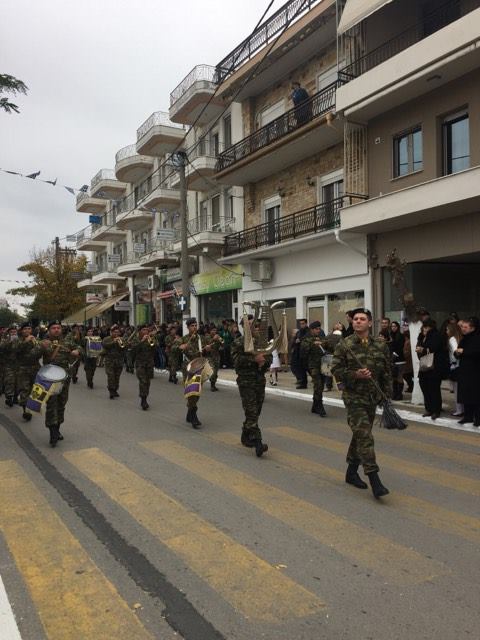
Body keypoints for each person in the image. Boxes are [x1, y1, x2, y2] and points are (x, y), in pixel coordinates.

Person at [331, 308, 392, 499]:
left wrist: (386, 396)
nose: (358, 321)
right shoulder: (345, 344)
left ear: (370, 323)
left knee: (360, 435)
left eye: (362, 319)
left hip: (372, 397)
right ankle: (374, 479)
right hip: (353, 397)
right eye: (355, 319)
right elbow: (335, 369)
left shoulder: (381, 345)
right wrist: (355, 375)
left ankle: (351, 472)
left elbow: (386, 372)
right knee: (365, 435)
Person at [231, 315, 271, 457]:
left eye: (256, 325)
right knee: (252, 412)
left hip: (260, 381)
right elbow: (236, 361)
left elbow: (269, 357)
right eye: (252, 326)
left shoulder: (261, 342)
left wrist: (263, 362)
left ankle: (245, 434)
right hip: (246, 382)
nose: (256, 328)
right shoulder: (239, 342)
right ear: (245, 327)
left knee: (256, 411)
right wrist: (254, 359)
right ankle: (258, 442)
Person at [39, 321, 81, 447]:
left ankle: (57, 428)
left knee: (62, 403)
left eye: (58, 328)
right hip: (50, 379)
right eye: (53, 328)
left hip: (64, 378)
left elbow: (80, 348)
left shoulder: (67, 342)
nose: (56, 330)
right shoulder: (44, 343)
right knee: (52, 404)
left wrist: (77, 351)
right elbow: (30, 357)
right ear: (49, 330)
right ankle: (52, 431)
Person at [415, 319, 449, 420]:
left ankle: (436, 410)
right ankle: (429, 408)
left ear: (431, 327)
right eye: (423, 327)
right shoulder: (422, 336)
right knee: (424, 387)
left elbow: (435, 347)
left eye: (426, 327)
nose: (424, 329)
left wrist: (424, 349)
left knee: (434, 389)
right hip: (424, 366)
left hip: (434, 367)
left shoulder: (436, 336)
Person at [179, 318, 207, 428]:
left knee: (197, 392)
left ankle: (189, 413)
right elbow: (173, 347)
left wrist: (208, 348)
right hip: (189, 369)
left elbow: (212, 346)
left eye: (195, 325)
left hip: (199, 367)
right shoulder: (184, 339)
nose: (194, 327)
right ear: (188, 327)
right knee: (191, 392)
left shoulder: (201, 339)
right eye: (192, 326)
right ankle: (193, 415)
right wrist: (180, 347)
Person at [455, 317, 480, 426]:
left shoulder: (477, 338)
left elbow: (476, 352)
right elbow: (458, 351)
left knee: (475, 395)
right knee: (466, 394)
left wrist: (463, 351)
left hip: (475, 371)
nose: (463, 329)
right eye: (462, 327)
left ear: (473, 328)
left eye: (466, 327)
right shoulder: (464, 338)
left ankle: (478, 418)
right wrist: (457, 353)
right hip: (465, 370)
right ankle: (468, 416)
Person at [300, 320, 328, 417]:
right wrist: (313, 344)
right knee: (318, 385)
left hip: (323, 365)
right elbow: (303, 349)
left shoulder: (321, 337)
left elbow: (327, 344)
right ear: (311, 329)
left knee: (321, 385)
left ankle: (315, 406)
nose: (318, 330)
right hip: (313, 366)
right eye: (316, 329)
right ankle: (319, 406)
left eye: (319, 329)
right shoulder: (307, 338)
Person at [16, 322, 41, 421]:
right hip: (23, 369)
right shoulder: (18, 341)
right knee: (24, 390)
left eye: (29, 329)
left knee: (35, 390)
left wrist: (37, 344)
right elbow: (15, 350)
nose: (27, 330)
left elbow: (41, 351)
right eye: (25, 329)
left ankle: (31, 406)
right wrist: (25, 342)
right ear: (21, 331)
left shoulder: (35, 340)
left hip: (35, 368)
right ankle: (25, 410)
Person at [131, 325, 157, 410]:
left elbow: (155, 348)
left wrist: (153, 342)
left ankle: (145, 397)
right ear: (140, 331)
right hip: (140, 363)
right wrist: (141, 341)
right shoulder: (136, 339)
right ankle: (143, 399)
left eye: (146, 330)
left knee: (148, 382)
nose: (145, 331)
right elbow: (134, 350)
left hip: (149, 364)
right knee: (143, 381)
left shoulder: (151, 338)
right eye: (143, 330)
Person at [102, 325, 125, 399]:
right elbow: (105, 345)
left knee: (117, 377)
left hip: (119, 361)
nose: (116, 334)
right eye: (115, 332)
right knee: (111, 376)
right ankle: (111, 391)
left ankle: (115, 389)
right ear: (111, 332)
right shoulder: (106, 339)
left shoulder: (121, 339)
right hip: (109, 361)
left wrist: (124, 343)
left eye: (117, 332)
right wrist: (113, 342)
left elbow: (123, 348)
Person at [446, 321, 463, 417]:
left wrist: (454, 360)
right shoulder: (459, 337)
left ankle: (459, 410)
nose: (446, 331)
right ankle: (462, 409)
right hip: (461, 366)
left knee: (457, 390)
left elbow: (456, 351)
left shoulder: (452, 339)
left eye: (447, 329)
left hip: (455, 366)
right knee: (460, 389)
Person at [1, 325, 20, 407]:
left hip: (18, 365)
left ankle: (15, 397)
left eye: (15, 332)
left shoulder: (20, 341)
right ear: (9, 333)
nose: (13, 333)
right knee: (9, 381)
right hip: (8, 364)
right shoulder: (5, 340)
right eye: (11, 332)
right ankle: (9, 398)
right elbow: (1, 348)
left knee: (17, 382)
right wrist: (9, 342)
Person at [289, 319, 309, 388]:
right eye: (301, 324)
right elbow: (294, 340)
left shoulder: (308, 332)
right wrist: (295, 341)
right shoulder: (299, 332)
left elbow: (307, 340)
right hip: (298, 353)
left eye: (303, 323)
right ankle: (302, 382)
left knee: (307, 369)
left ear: (306, 324)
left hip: (305, 353)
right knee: (298, 368)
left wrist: (300, 340)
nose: (302, 325)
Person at [204, 325, 223, 391]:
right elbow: (206, 345)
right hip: (209, 357)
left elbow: (223, 343)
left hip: (216, 356)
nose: (214, 332)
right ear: (210, 331)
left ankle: (213, 384)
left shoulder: (217, 336)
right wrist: (213, 339)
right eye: (213, 330)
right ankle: (212, 385)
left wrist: (220, 340)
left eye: (215, 330)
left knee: (216, 371)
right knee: (213, 371)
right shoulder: (207, 337)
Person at [389, 321, 405, 401]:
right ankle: (394, 393)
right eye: (392, 326)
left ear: (398, 327)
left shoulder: (401, 336)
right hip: (392, 360)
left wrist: (394, 354)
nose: (393, 328)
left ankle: (399, 394)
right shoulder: (390, 335)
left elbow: (400, 347)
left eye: (395, 326)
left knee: (399, 377)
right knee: (393, 377)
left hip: (400, 359)